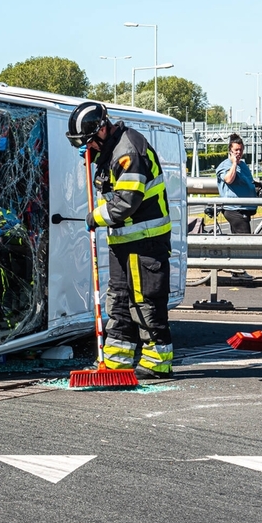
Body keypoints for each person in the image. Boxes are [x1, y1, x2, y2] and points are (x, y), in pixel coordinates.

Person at [66, 101, 173, 379]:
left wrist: (95, 217)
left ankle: (157, 363)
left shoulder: (129, 151)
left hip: (146, 241)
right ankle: (116, 362)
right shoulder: (112, 149)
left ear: (102, 130)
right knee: (120, 301)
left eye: (88, 141)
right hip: (123, 241)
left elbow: (126, 202)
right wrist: (94, 157)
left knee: (146, 302)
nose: (87, 147)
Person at [215, 134, 258, 234]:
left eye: (241, 150)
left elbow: (248, 182)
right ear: (230, 151)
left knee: (238, 239)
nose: (239, 152)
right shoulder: (225, 165)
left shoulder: (243, 165)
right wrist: (234, 163)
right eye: (236, 150)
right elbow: (229, 179)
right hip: (235, 209)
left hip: (245, 207)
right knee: (245, 240)